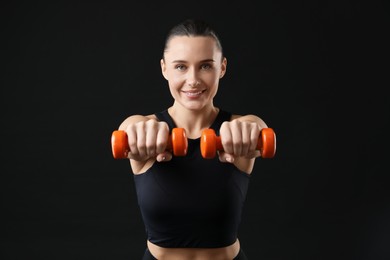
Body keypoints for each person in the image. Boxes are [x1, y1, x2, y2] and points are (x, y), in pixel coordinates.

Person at [117, 18, 270, 260]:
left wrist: (249, 129)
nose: (193, 79)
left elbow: (256, 125)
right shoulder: (143, 129)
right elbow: (130, 127)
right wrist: (138, 130)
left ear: (222, 67)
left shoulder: (240, 131)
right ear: (164, 68)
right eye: (180, 67)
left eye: (206, 66)